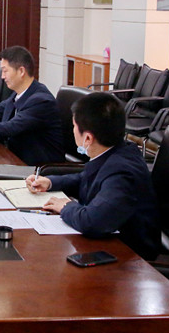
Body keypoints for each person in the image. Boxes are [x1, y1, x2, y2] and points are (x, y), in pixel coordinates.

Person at [26, 93, 160, 260]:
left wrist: (66, 206)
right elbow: (86, 178)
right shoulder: (116, 150)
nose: (72, 130)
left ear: (88, 138)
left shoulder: (121, 173)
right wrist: (50, 182)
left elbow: (92, 222)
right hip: (109, 242)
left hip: (129, 257)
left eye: (74, 126)